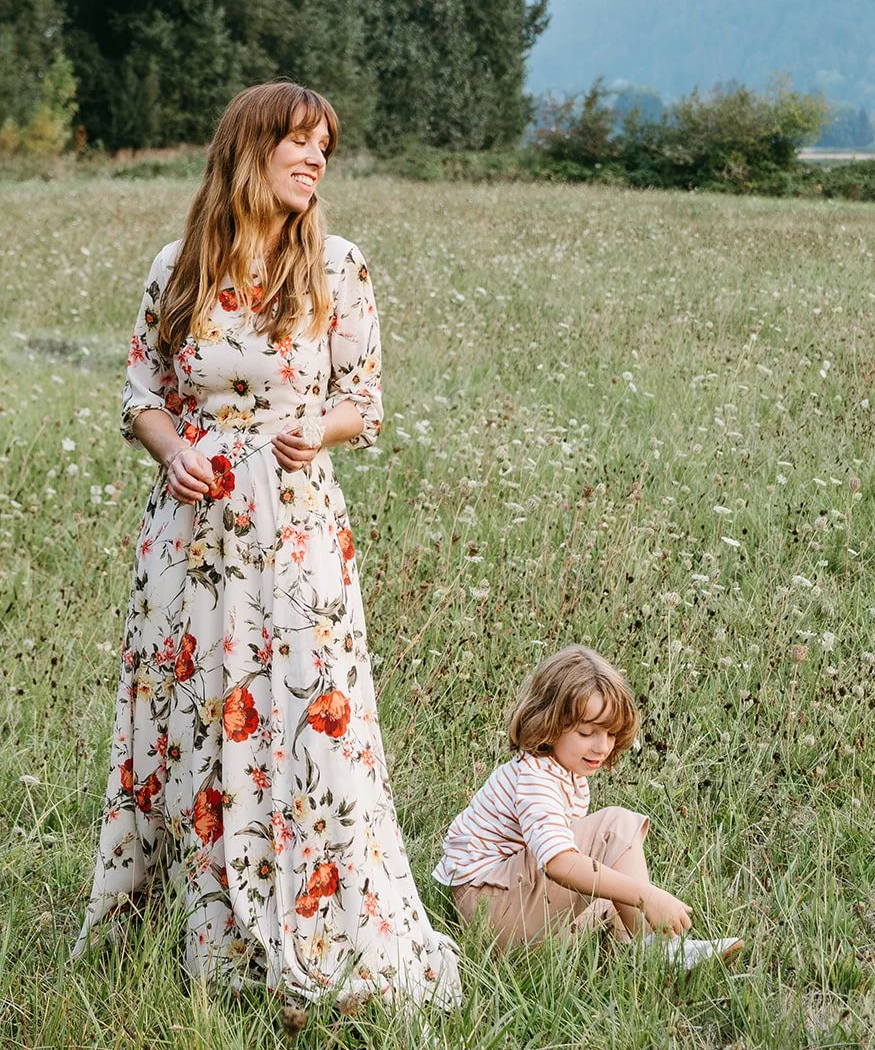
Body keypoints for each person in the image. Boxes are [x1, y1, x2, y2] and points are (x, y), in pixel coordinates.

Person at [75, 81, 459, 1011]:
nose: (316, 159)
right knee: (195, 718)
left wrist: (315, 433)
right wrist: (173, 452)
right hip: (191, 536)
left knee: (308, 719)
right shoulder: (179, 268)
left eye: (324, 146)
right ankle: (197, 936)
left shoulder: (340, 266)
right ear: (250, 150)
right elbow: (141, 395)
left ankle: (313, 927)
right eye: (299, 142)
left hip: (296, 533)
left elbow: (363, 402)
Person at [432, 644, 743, 967]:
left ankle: (638, 956)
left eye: (610, 734)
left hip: (505, 908)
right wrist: (646, 895)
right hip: (491, 909)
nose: (602, 746)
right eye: (586, 732)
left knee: (608, 889)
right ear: (548, 723)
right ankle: (657, 950)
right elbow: (559, 864)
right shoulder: (535, 778)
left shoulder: (559, 773)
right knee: (614, 827)